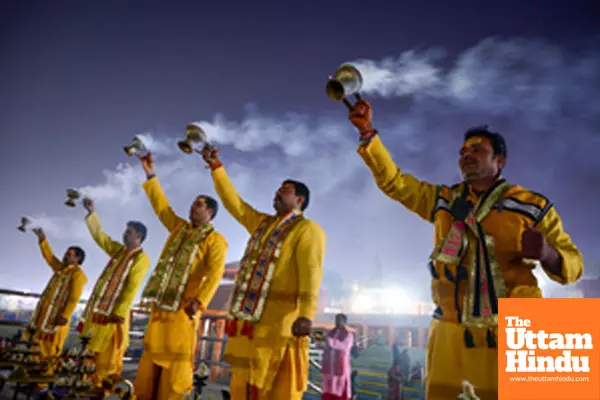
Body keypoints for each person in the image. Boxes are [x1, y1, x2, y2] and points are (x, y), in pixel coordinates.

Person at [347, 100, 584, 400]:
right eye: (462, 152)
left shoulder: (532, 206)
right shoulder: (443, 199)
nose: (467, 155)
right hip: (449, 329)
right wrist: (368, 132)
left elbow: (574, 263)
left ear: (500, 160)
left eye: (477, 150)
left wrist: (549, 253)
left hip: (514, 330)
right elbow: (394, 183)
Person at [201, 144, 326, 400]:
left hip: (277, 326)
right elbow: (235, 204)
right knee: (242, 385)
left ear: (299, 200)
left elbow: (311, 273)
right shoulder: (262, 224)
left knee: (268, 387)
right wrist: (216, 168)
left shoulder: (307, 229)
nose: (278, 193)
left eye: (285, 191)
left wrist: (306, 314)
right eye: (278, 189)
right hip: (248, 324)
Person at [134, 153, 228, 400]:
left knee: (173, 363)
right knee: (151, 357)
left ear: (209, 211)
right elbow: (161, 207)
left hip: (183, 310)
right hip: (161, 306)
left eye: (198, 204)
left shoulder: (215, 241)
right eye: (192, 203)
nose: (191, 207)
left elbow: (216, 273)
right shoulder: (178, 228)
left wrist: (200, 301)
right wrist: (150, 174)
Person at [77, 198, 151, 389]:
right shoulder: (118, 251)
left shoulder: (142, 259)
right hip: (99, 312)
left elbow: (131, 287)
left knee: (108, 357)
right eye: (125, 231)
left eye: (129, 232)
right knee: (90, 352)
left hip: (114, 317)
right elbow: (100, 237)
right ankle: (86, 387)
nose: (124, 235)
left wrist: (118, 313)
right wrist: (92, 213)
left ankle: (102, 390)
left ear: (139, 237)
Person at [28, 228, 87, 366]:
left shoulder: (78, 275)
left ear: (77, 259)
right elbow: (49, 257)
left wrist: (65, 315)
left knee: (50, 349)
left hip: (57, 319)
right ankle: (33, 376)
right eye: (66, 254)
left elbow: (74, 297)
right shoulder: (61, 269)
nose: (65, 256)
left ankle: (43, 382)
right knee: (37, 345)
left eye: (69, 254)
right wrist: (43, 239)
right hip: (44, 316)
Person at [321, 314, 354, 400]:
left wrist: (329, 340)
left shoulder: (349, 335)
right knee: (328, 390)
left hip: (341, 367)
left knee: (340, 390)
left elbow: (343, 346)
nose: (337, 322)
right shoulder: (330, 333)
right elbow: (322, 345)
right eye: (336, 320)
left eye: (340, 320)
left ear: (345, 322)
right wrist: (320, 340)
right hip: (329, 367)